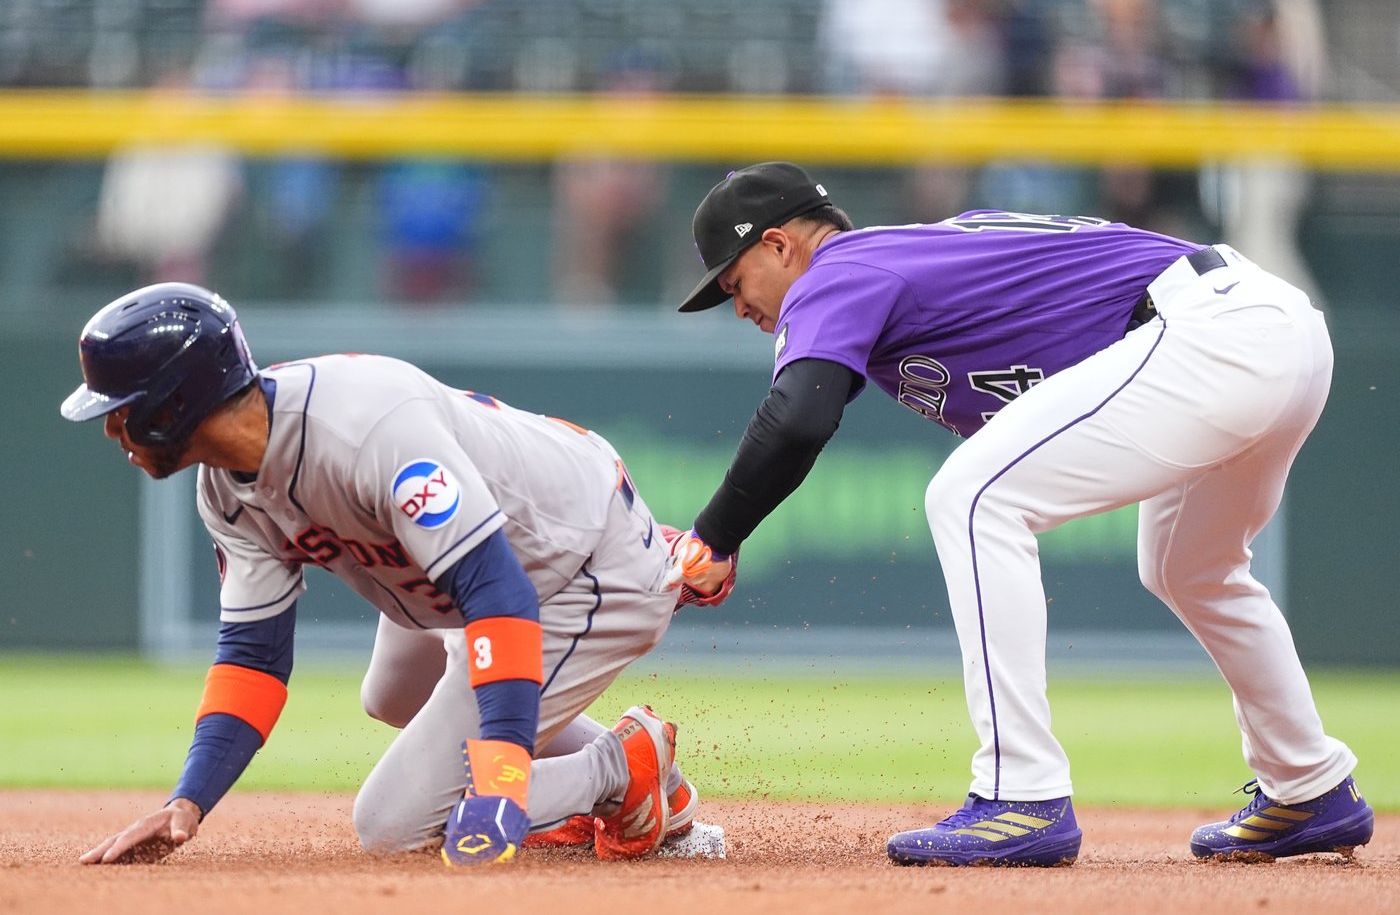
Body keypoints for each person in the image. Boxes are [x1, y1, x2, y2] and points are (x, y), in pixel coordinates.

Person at [670, 161, 1373, 867]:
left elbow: (798, 419)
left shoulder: (841, 268)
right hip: (1264, 329)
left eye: (734, 283)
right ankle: (1306, 782)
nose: (739, 307)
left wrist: (714, 536)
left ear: (780, 245)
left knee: (972, 497)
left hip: (1210, 332)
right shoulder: (907, 264)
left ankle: (1021, 794)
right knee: (1190, 565)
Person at [61, 283, 732, 867]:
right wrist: (190, 799)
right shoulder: (226, 492)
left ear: (174, 402)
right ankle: (621, 757)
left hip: (578, 566)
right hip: (473, 570)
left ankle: (619, 768)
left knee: (395, 824)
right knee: (391, 693)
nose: (113, 427)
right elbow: (253, 656)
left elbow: (498, 595)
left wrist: (504, 782)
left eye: (122, 405)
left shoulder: (360, 428)